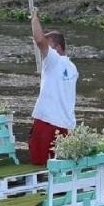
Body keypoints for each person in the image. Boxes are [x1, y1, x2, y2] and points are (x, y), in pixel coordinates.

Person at [28, 8, 78, 166]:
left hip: (47, 121)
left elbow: (39, 40)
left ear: (57, 47)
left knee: (40, 165)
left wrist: (34, 18)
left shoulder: (54, 59)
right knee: (60, 166)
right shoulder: (73, 67)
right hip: (66, 124)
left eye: (48, 47)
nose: (44, 51)